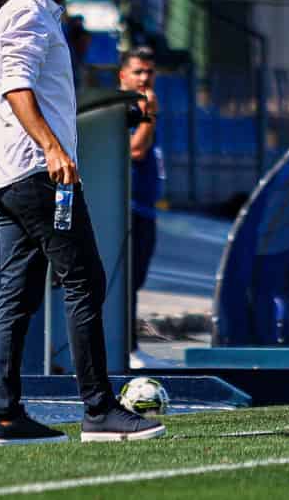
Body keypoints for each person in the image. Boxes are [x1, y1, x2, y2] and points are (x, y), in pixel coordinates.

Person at [0, 0, 163, 447]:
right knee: (85, 281)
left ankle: (6, 416)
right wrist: (53, 148)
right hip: (39, 175)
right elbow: (16, 87)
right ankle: (99, 411)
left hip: (12, 176)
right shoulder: (27, 14)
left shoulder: (38, 16)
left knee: (16, 297)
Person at [117, 47, 163, 357]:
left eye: (149, 72)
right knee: (126, 279)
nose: (144, 78)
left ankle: (129, 343)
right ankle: (125, 347)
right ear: (123, 75)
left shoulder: (145, 104)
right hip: (126, 208)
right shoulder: (125, 108)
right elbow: (136, 150)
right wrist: (148, 116)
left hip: (146, 207)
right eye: (138, 72)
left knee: (137, 278)